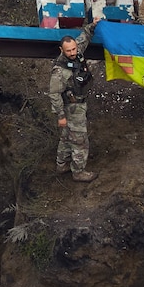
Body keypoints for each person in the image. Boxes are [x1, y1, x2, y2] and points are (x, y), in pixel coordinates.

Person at [49, 20, 98, 182]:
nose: (72, 52)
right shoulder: (60, 71)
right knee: (79, 140)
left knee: (66, 136)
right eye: (68, 50)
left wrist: (93, 25)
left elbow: (85, 36)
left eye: (74, 49)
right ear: (61, 50)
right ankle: (78, 171)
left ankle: (61, 164)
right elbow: (54, 94)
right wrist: (61, 116)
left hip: (79, 102)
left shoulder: (78, 52)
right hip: (72, 107)